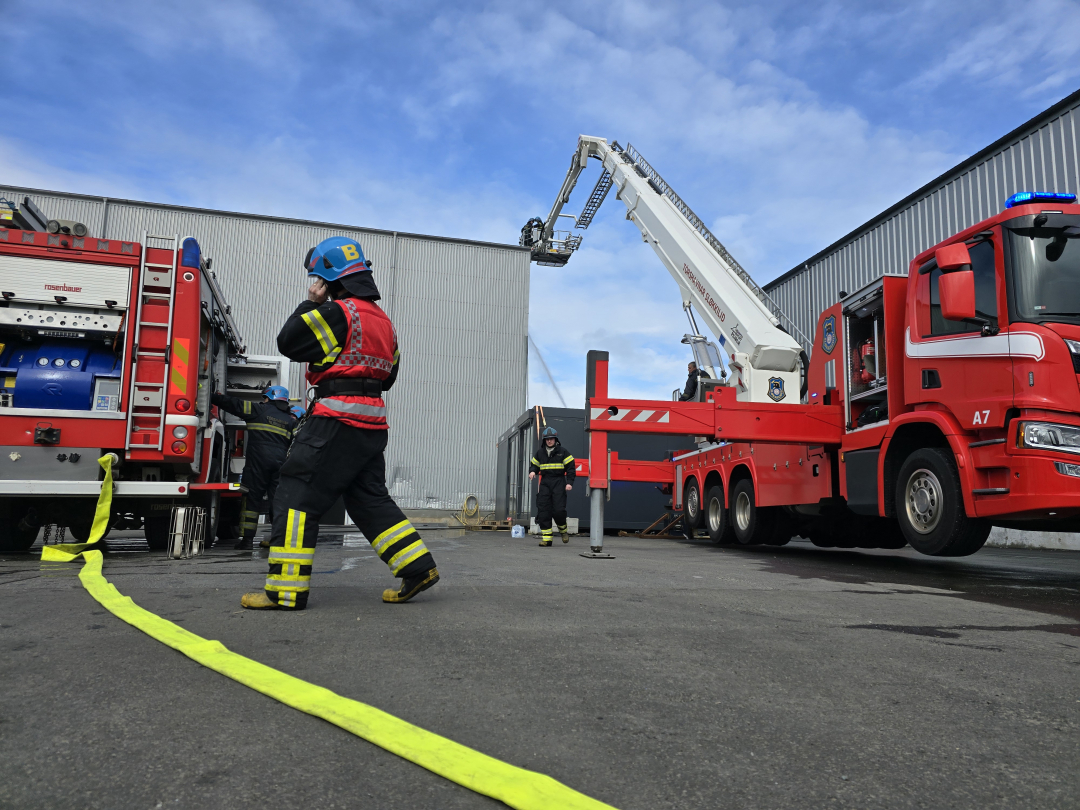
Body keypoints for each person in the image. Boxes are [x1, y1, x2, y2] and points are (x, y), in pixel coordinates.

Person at [240, 236, 438, 610]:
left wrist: (311, 303)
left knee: (295, 496)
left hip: (334, 420)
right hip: (371, 426)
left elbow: (289, 341)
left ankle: (285, 591)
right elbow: (389, 378)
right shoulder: (385, 324)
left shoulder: (338, 312)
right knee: (368, 499)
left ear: (328, 278)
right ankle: (417, 568)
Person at [211, 386, 296, 550]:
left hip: (258, 463)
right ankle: (278, 540)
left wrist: (213, 397)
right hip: (280, 465)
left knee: (252, 500)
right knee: (277, 502)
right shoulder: (290, 421)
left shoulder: (258, 410)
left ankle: (247, 541)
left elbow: (233, 404)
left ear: (269, 398)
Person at [528, 426, 576, 546]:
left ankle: (563, 531)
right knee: (543, 510)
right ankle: (547, 539)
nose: (549, 441)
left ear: (556, 439)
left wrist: (569, 482)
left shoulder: (563, 452)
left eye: (551, 439)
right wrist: (533, 471)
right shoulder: (540, 453)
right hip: (545, 483)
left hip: (559, 482)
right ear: (544, 440)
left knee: (558, 510)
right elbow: (534, 465)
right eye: (547, 439)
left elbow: (571, 468)